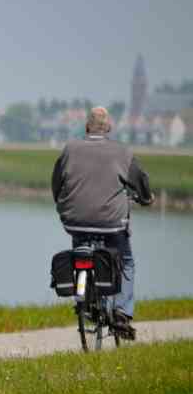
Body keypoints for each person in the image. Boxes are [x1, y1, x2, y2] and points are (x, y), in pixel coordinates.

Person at [51, 106, 153, 338]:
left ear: (87, 127)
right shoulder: (122, 152)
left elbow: (56, 181)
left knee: (81, 251)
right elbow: (140, 182)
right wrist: (146, 198)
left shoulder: (69, 149)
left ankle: (84, 296)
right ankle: (121, 312)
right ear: (108, 128)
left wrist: (61, 202)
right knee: (125, 261)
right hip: (111, 224)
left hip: (75, 220)